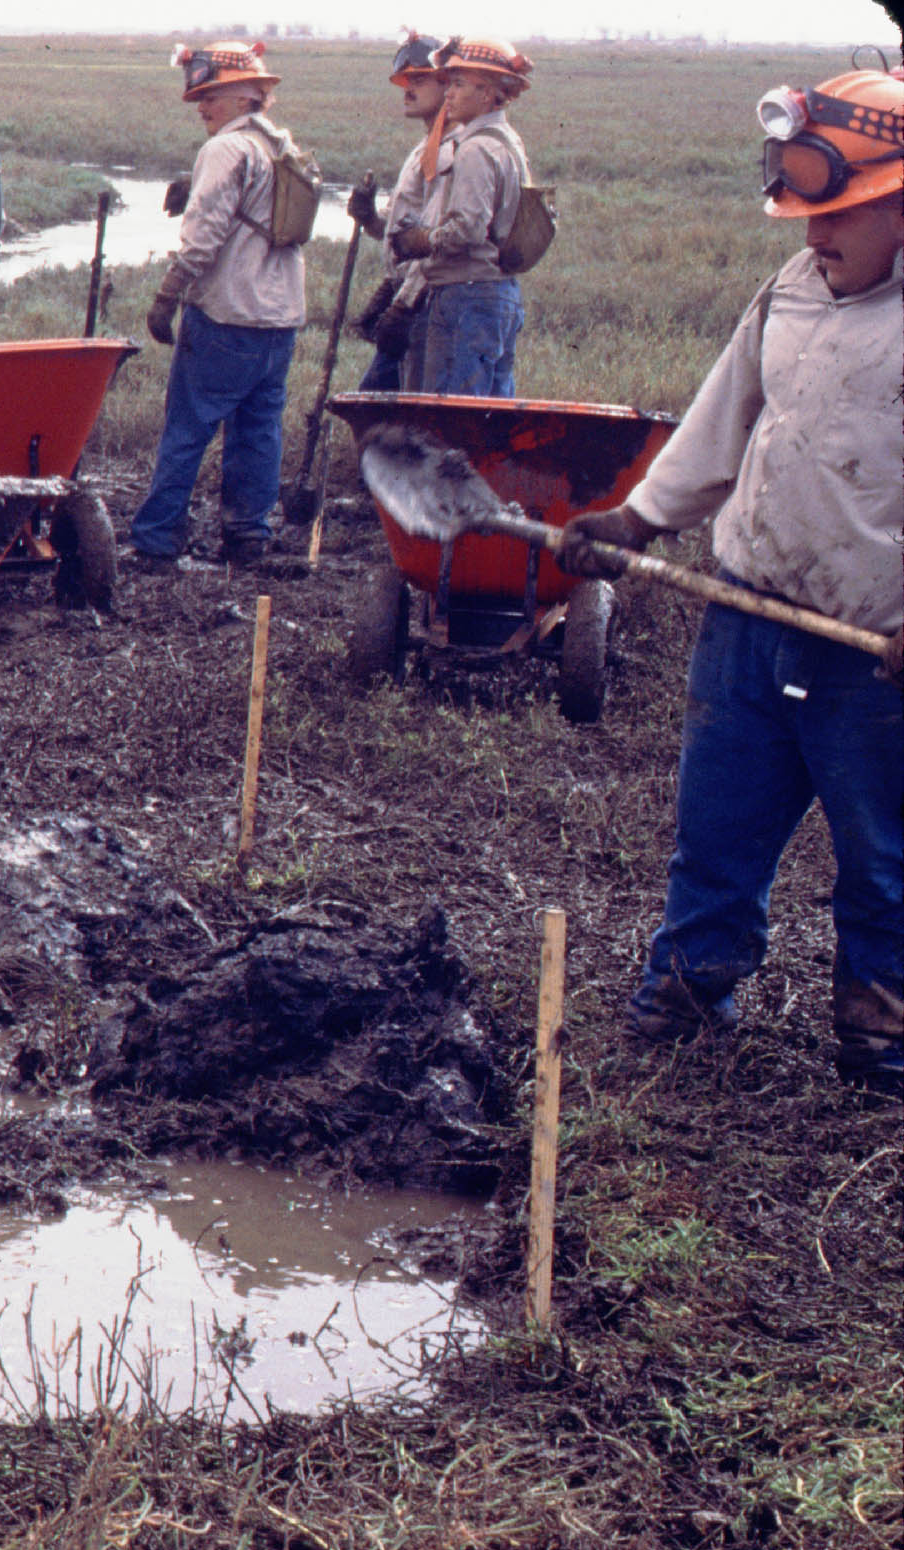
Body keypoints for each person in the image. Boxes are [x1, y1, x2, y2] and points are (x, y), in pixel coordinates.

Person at [557, 67, 904, 1096]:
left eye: (838, 213)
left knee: (884, 857)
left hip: (871, 657)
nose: (814, 234)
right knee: (717, 830)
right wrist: (638, 518)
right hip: (749, 620)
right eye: (803, 213)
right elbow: (723, 416)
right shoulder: (790, 290)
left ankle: (880, 1035)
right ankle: (690, 991)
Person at [125, 41, 307, 569]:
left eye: (212, 95)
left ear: (248, 95)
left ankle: (157, 540)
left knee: (187, 428)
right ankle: (248, 537)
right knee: (258, 430)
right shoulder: (281, 144)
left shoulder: (225, 150)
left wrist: (167, 295)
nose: (201, 105)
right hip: (280, 318)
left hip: (227, 314)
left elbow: (202, 239)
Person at [401, 37, 535, 396]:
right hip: (498, 294)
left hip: (466, 296)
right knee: (490, 412)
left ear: (487, 94)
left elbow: (468, 228)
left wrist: (423, 240)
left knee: (451, 414)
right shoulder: (508, 141)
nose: (448, 94)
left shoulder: (475, 149)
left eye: (459, 84)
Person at [344, 30, 444, 393]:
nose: (408, 89)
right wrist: (370, 219)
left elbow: (439, 243)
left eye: (420, 80)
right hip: (412, 298)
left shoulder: (447, 152)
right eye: (405, 81)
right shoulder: (424, 149)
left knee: (388, 404)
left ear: (448, 84)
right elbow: (406, 236)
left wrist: (403, 306)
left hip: (425, 303)